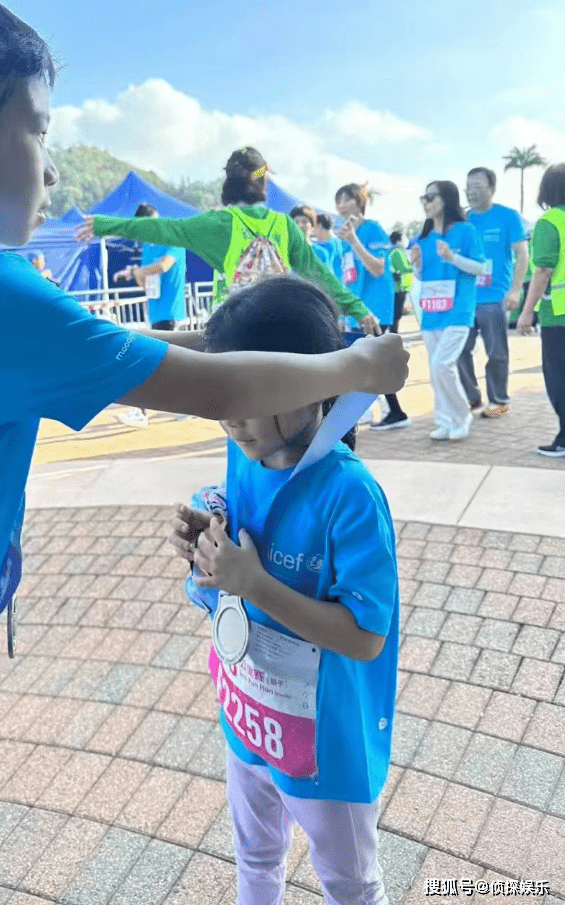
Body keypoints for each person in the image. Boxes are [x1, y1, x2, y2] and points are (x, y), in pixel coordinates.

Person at [0, 0, 409, 905]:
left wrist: (255, 344)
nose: (48, 167)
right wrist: (354, 369)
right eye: (38, 130)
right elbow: (215, 389)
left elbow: (130, 349)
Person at [170, 276, 397, 905]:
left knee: (349, 884)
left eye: (253, 391)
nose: (230, 415)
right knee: (255, 858)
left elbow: (366, 636)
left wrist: (256, 584)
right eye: (224, 391)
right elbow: (237, 566)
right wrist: (205, 551)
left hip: (324, 750)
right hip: (248, 719)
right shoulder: (242, 454)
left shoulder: (350, 496)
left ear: (312, 384)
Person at [77, 147, 381, 335]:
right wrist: (358, 308)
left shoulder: (217, 223)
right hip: (282, 326)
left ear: (228, 183)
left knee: (244, 425)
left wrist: (104, 224)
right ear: (264, 182)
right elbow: (319, 274)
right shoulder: (285, 225)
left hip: (234, 334)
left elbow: (162, 229)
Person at [410, 181, 485, 441]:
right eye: (424, 197)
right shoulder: (425, 237)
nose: (426, 202)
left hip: (458, 310)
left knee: (443, 365)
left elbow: (480, 268)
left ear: (447, 199)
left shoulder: (466, 231)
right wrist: (417, 265)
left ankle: (462, 416)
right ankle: (444, 420)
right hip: (432, 311)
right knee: (434, 369)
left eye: (431, 196)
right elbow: (422, 277)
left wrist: (453, 258)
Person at [335, 184, 408, 431]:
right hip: (356, 311)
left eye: (347, 200)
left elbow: (377, 268)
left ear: (360, 202)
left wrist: (354, 240)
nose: (342, 205)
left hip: (375, 310)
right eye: (339, 201)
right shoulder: (345, 237)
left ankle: (395, 412)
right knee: (366, 364)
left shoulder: (372, 229)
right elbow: (349, 277)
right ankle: (385, 412)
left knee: (375, 363)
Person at [458, 167, 528, 418]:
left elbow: (522, 253)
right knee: (458, 350)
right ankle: (472, 397)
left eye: (477, 186)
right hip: (465, 300)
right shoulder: (463, 220)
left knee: (496, 352)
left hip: (495, 296)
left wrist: (516, 289)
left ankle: (499, 400)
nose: (471, 192)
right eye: (468, 187)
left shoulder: (507, 217)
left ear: (492, 189)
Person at [113, 202, 187, 427]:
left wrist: (137, 271)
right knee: (168, 364)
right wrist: (138, 275)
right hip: (154, 312)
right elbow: (143, 281)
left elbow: (164, 266)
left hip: (171, 312)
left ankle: (142, 411)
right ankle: (182, 406)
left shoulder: (173, 240)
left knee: (153, 361)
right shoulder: (147, 247)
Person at [517, 163, 565, 457]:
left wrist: (526, 311)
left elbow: (543, 270)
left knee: (559, 378)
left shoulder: (550, 220)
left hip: (558, 315)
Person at [388, 229, 413, 333]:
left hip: (397, 287)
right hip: (399, 288)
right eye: (404, 238)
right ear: (399, 239)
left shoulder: (392, 251)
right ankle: (393, 338)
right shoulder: (397, 252)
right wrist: (415, 262)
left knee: (395, 315)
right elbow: (405, 268)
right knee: (396, 315)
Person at [313, 212, 344, 280]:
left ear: (319, 226)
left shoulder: (325, 247)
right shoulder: (340, 242)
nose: (312, 231)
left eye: (313, 227)